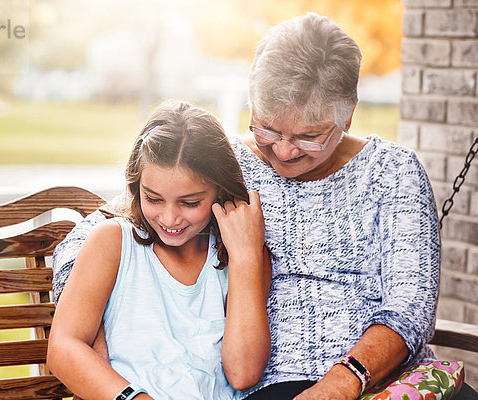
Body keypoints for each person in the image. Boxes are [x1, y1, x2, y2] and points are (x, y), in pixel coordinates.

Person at [53, 13, 477, 400]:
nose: (284, 151)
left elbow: (410, 307)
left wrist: (342, 383)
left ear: (347, 116)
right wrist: (95, 328)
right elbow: (104, 230)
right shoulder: (227, 164)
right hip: (278, 384)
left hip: (385, 380)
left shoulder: (394, 172)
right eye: (267, 128)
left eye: (308, 136)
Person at [47, 101, 272, 400]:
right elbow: (64, 348)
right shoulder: (112, 243)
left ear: (221, 190)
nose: (169, 218)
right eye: (153, 198)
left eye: (190, 203)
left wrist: (245, 258)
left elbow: (244, 373)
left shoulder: (240, 256)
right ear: (135, 185)